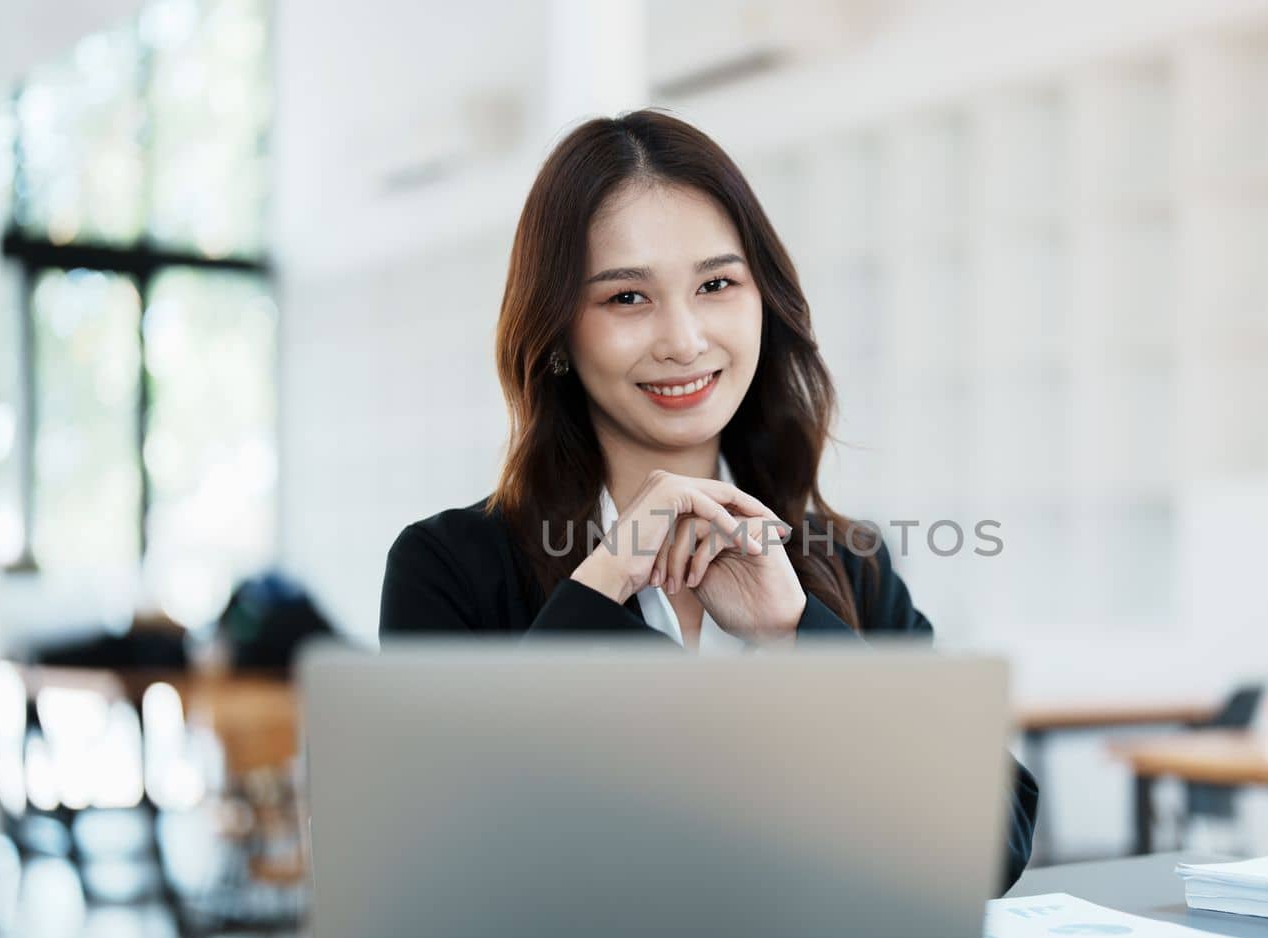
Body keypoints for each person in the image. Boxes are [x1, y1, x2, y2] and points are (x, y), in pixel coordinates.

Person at [379, 108, 1039, 892]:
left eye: (717, 284)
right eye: (626, 298)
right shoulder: (450, 566)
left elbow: (987, 842)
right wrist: (606, 580)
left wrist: (795, 634)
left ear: (765, 302)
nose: (684, 338)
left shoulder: (840, 562)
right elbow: (442, 869)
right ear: (556, 334)